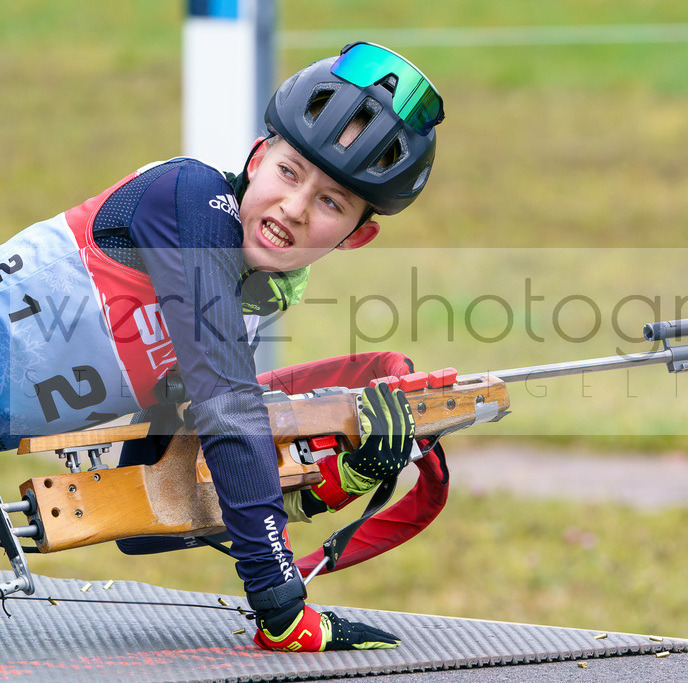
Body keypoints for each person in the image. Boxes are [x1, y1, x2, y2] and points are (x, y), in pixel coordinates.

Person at [0, 42, 445, 652]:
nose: (293, 207)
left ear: (357, 236)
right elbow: (227, 406)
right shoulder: (189, 198)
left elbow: (144, 510)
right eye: (289, 172)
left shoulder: (245, 306)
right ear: (259, 157)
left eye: (331, 202)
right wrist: (281, 603)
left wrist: (341, 477)